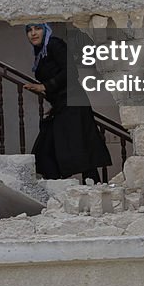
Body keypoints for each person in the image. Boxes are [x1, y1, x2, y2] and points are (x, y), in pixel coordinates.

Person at [22, 23, 112, 183]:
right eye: (29, 30)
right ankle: (62, 191)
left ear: (46, 30)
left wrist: (45, 86)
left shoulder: (54, 44)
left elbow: (71, 71)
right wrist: (46, 91)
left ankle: (93, 190)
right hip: (61, 105)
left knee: (81, 149)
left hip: (73, 104)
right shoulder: (40, 52)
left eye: (37, 28)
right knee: (45, 151)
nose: (33, 33)